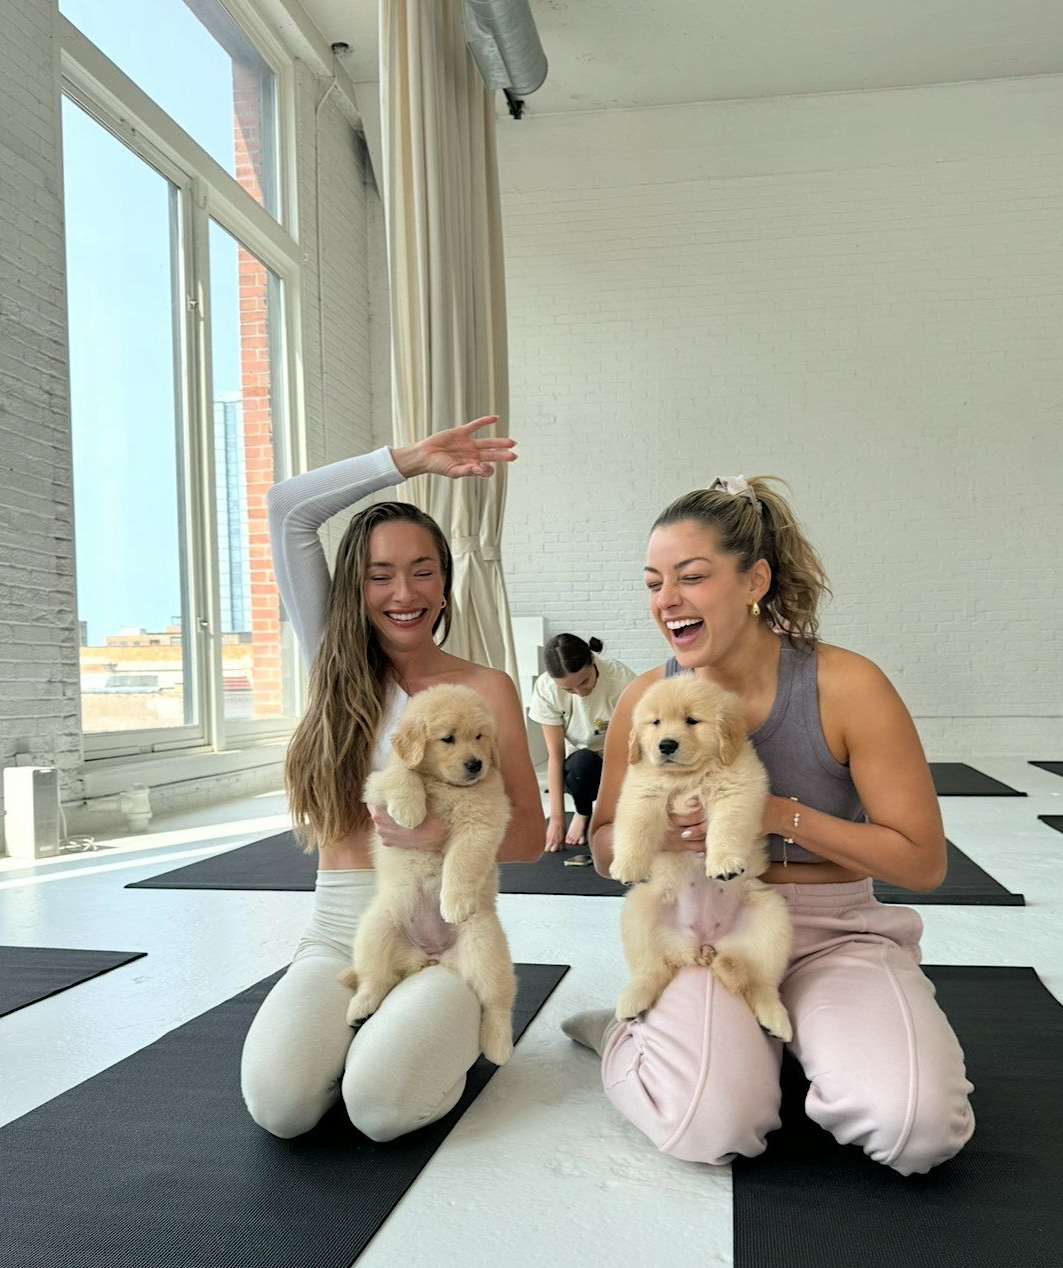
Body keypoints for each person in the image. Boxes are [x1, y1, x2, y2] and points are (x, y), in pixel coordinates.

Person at [563, 474, 975, 1178]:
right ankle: (623, 1033)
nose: (666, 600)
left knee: (916, 1129)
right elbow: (604, 846)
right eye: (653, 582)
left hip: (832, 931)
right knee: (709, 1126)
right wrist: (656, 837)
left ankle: (797, 1040)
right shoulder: (646, 698)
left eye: (690, 577)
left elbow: (921, 862)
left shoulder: (847, 685)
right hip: (701, 928)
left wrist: (776, 815)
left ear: (753, 579)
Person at [240, 416, 545, 1141]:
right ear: (356, 585)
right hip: (343, 930)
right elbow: (288, 507)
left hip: (446, 934)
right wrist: (407, 461)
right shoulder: (334, 663)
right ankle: (387, 1029)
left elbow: (532, 835)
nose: (402, 591)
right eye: (379, 574)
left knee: (377, 1109)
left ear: (445, 581)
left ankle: (447, 1019)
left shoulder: (486, 688)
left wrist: (444, 834)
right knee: (281, 1108)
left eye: (422, 570)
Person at [528, 634, 636, 849]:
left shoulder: (621, 681)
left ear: (593, 661)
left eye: (584, 681)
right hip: (581, 769)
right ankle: (582, 812)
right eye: (568, 689)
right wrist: (557, 820)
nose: (580, 692)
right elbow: (555, 757)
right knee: (582, 763)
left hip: (621, 758)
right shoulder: (546, 689)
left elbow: (635, 745)